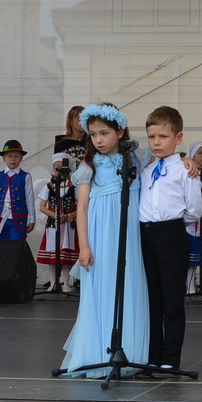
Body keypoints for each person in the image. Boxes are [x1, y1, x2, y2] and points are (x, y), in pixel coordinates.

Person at [60, 103, 151, 376]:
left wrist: (186, 160)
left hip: (128, 235)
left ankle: (130, 352)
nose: (98, 140)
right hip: (100, 236)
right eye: (93, 134)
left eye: (104, 133)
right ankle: (99, 353)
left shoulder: (135, 160)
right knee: (102, 290)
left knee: (128, 287)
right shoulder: (89, 167)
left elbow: (165, 157)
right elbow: (82, 208)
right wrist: (84, 246)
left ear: (120, 132)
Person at [140, 106, 202, 375]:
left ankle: (170, 358)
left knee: (172, 298)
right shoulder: (145, 169)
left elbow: (194, 210)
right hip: (145, 234)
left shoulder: (186, 170)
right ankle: (152, 356)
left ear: (178, 138)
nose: (156, 142)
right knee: (151, 298)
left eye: (163, 137)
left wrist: (172, 225)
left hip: (172, 233)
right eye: (152, 137)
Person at [36, 152, 79, 288]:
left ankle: (66, 283)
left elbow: (83, 205)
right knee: (52, 256)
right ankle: (53, 283)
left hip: (69, 226)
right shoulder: (49, 186)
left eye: (63, 169)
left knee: (66, 257)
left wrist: (73, 214)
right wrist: (54, 215)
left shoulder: (74, 187)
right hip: (53, 225)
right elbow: (42, 207)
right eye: (57, 169)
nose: (60, 172)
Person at [0, 139, 34, 241]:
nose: (13, 159)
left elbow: (30, 199)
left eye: (16, 156)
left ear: (21, 158)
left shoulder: (25, 176)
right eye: (9, 156)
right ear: (4, 158)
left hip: (18, 218)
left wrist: (32, 219)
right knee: (1, 244)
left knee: (16, 244)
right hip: (1, 217)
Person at [185, 140, 202, 294]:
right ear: (193, 155)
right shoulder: (187, 172)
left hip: (199, 219)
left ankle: (192, 284)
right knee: (186, 254)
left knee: (195, 254)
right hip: (187, 219)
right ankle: (186, 285)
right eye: (200, 153)